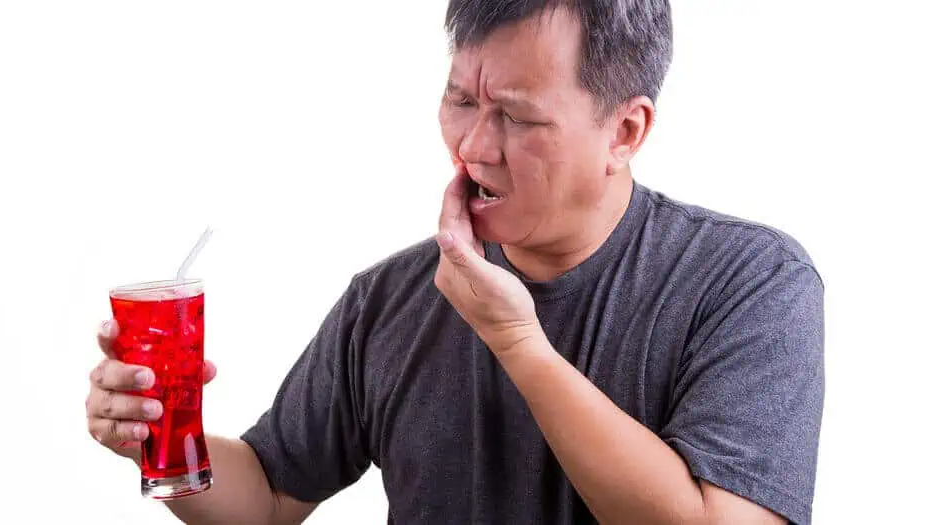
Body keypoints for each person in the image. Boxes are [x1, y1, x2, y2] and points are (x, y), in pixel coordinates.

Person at [85, 1, 824, 524]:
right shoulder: (389, 298)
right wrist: (160, 439)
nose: (473, 146)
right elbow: (270, 495)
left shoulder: (748, 282)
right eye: (460, 101)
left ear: (625, 131)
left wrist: (518, 342)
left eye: (517, 115)